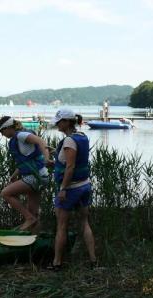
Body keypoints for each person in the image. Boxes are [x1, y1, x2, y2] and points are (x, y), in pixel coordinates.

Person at [49, 108, 96, 270]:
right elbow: (71, 160)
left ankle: (57, 263)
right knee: (84, 223)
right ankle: (93, 260)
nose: (57, 125)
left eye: (59, 122)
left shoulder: (69, 141)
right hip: (85, 185)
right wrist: (55, 158)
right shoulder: (82, 136)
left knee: (61, 226)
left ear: (67, 122)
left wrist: (63, 188)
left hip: (71, 188)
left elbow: (70, 167)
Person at [0, 116, 53, 232]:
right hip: (40, 176)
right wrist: (14, 174)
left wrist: (47, 159)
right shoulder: (19, 138)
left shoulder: (20, 135)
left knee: (5, 193)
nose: (2, 134)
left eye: (2, 131)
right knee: (34, 211)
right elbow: (26, 161)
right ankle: (35, 240)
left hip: (35, 177)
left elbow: (41, 141)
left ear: (8, 128)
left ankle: (29, 218)